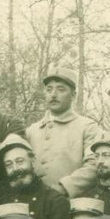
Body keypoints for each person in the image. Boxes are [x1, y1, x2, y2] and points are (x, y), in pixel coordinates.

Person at [0, 133, 74, 219]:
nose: (15, 169)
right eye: (9, 165)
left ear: (33, 161)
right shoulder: (2, 200)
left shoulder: (55, 200)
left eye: (20, 161)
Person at [24, 66, 100, 197]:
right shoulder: (31, 130)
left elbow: (94, 165)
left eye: (61, 89)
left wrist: (64, 187)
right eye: (49, 89)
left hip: (70, 205)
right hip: (34, 204)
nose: (53, 94)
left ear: (73, 95)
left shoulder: (87, 127)